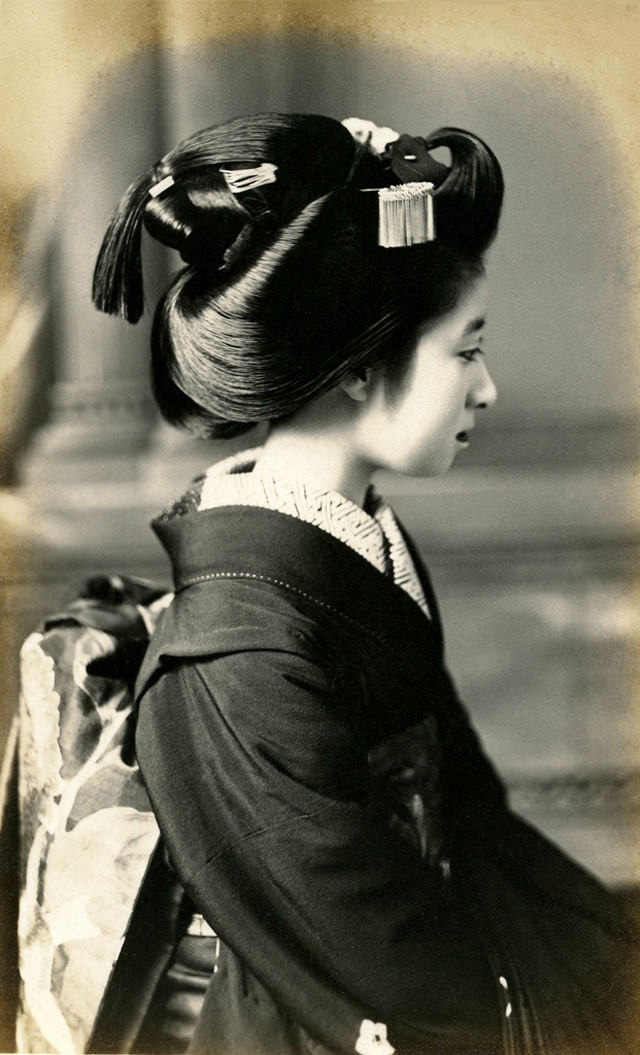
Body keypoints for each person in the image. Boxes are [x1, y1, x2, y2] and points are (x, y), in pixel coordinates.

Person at [87, 112, 638, 1055]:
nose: (488, 388)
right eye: (465, 351)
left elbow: (466, 802)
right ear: (357, 367)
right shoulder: (240, 649)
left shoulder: (360, 530)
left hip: (443, 926)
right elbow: (353, 929)